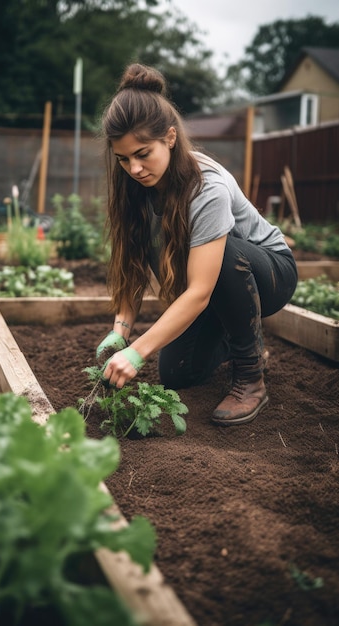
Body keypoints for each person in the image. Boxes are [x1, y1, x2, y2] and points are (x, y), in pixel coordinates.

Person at [96, 63, 298, 426]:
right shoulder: (134, 186)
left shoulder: (206, 187)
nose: (134, 168)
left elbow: (201, 290)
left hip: (269, 271)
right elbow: (132, 261)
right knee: (178, 373)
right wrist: (120, 332)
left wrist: (137, 352)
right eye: (123, 159)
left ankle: (251, 377)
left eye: (143, 153)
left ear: (170, 138)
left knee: (225, 255)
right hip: (217, 282)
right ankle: (243, 338)